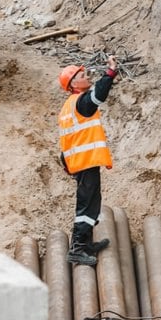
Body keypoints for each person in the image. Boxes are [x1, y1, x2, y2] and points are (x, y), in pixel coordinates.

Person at [57, 55, 119, 267]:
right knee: (86, 205)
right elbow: (97, 96)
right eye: (83, 76)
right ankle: (77, 249)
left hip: (81, 162)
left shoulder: (68, 106)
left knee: (91, 202)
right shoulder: (81, 102)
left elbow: (67, 139)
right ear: (74, 84)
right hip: (85, 162)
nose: (87, 77)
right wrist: (110, 74)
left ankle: (85, 243)